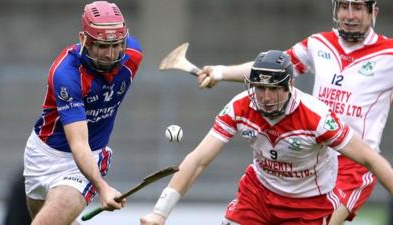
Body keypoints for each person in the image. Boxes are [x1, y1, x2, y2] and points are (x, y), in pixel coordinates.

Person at [140, 50, 393, 225]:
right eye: (260, 88)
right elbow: (198, 160)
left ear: (289, 86)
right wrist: (160, 213)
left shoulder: (317, 118)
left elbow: (370, 159)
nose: (266, 97)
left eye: (274, 89)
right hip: (258, 195)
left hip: (308, 206)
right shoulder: (240, 107)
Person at [196, 0, 393, 224]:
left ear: (373, 12)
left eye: (357, 7)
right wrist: (220, 73)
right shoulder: (318, 43)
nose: (349, 15)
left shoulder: (389, 54)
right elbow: (270, 70)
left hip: (354, 165)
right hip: (315, 157)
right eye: (343, 7)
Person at [23, 1, 143, 225]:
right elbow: (77, 141)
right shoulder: (67, 74)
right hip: (41, 155)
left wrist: (99, 185)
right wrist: (103, 189)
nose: (110, 54)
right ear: (83, 40)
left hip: (86, 158)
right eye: (101, 46)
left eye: (117, 44)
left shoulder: (133, 55)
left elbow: (83, 147)